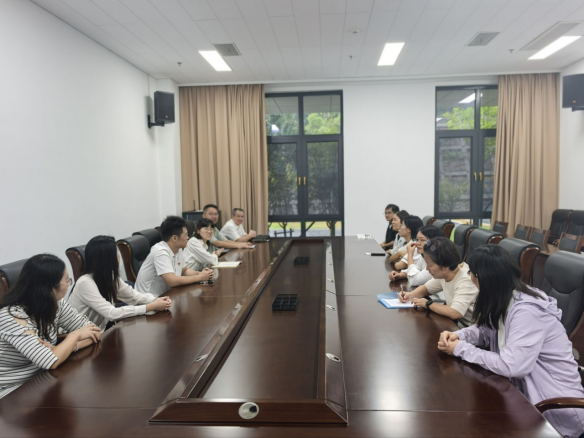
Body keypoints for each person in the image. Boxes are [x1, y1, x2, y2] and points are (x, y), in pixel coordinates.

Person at [437, 245, 584, 438]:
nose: (469, 277)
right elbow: (486, 330)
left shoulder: (526, 311)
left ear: (481, 277)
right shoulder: (505, 296)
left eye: (471, 273)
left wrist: (460, 349)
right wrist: (460, 336)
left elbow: (512, 366)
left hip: (553, 412)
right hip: (522, 397)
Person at [0, 254, 101, 398]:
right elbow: (51, 361)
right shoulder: (11, 316)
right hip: (11, 389)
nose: (69, 284)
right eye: (67, 280)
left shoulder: (56, 304)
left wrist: (66, 347)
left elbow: (94, 331)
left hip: (44, 378)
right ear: (49, 288)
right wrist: (74, 336)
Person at [69, 236, 172, 331]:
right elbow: (111, 313)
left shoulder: (110, 276)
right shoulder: (85, 283)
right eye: (117, 252)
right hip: (78, 338)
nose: (119, 256)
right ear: (107, 258)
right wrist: (151, 306)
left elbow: (134, 297)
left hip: (99, 332)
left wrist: (155, 300)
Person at [399, 237, 478, 327]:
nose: (427, 269)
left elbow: (455, 312)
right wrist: (409, 295)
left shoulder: (466, 279)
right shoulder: (445, 274)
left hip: (474, 330)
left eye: (430, 265)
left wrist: (427, 303)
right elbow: (426, 288)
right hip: (459, 326)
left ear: (445, 265)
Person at [135, 215, 214, 297]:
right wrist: (200, 277)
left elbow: (184, 271)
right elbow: (172, 281)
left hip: (166, 296)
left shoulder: (178, 248)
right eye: (186, 235)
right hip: (148, 300)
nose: (188, 237)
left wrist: (201, 274)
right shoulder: (160, 251)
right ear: (175, 238)